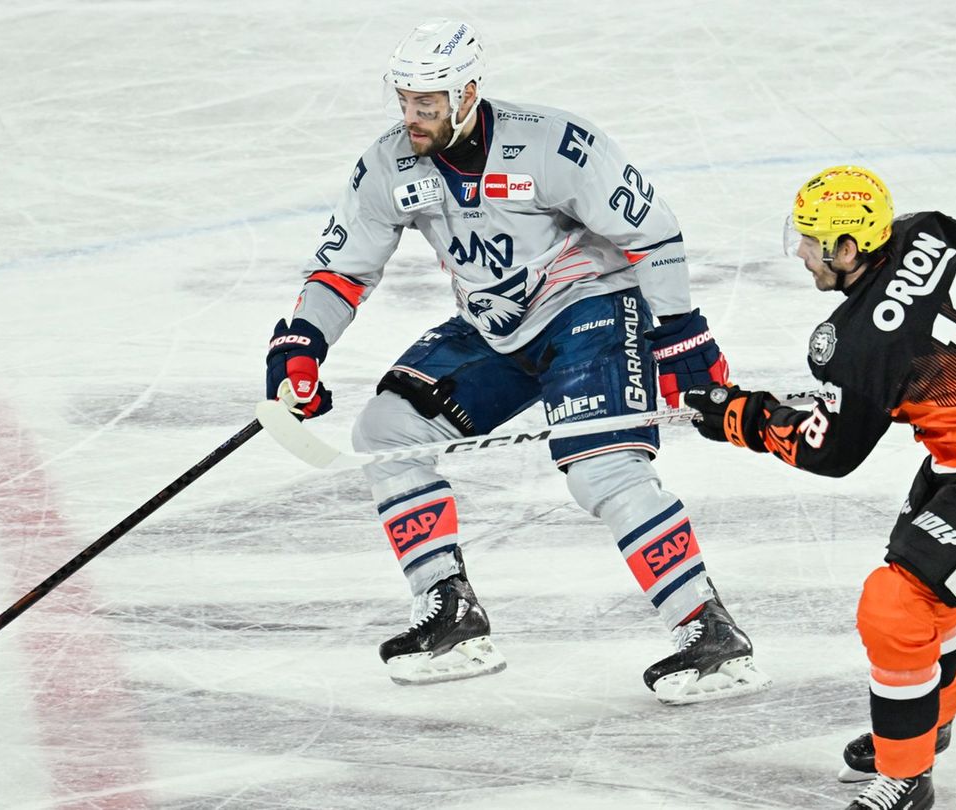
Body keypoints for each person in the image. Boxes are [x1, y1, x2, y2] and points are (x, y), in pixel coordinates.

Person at [263, 19, 771, 703]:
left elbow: (651, 231)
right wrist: (301, 343)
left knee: (602, 467)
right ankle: (450, 612)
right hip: (495, 326)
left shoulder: (552, 145)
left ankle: (707, 628)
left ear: (467, 94)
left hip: (590, 306)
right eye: (405, 100)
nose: (411, 116)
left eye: (427, 102)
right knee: (387, 431)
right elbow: (341, 269)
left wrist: (680, 333)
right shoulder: (389, 165)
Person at [682, 165, 956, 809]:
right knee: (925, 589)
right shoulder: (933, 231)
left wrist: (743, 418)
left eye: (810, 241)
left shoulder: (852, 344)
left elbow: (831, 453)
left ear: (847, 248)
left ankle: (907, 778)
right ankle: (927, 719)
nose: (800, 253)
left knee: (897, 604)